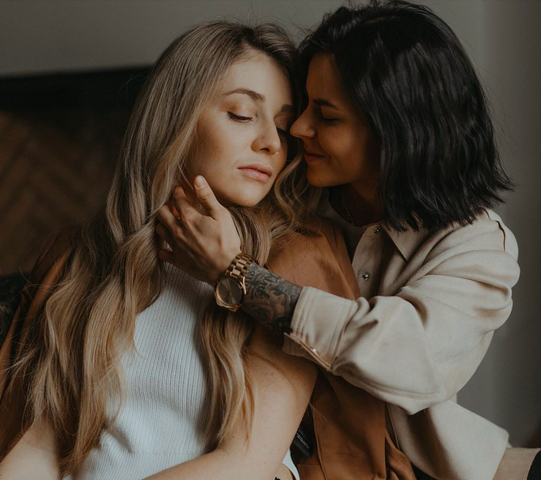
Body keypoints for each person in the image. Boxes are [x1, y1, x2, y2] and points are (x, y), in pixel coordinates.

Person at [156, 2, 541, 480]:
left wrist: (241, 278)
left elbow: (403, 355)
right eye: (301, 110)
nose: (296, 131)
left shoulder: (479, 247)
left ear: (395, 132)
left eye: (327, 116)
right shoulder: (293, 195)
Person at [0, 20, 362, 480]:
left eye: (285, 126)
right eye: (241, 114)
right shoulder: (82, 258)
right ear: (177, 117)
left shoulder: (297, 258)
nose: (271, 142)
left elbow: (246, 463)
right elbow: (38, 444)